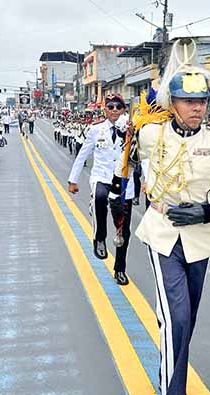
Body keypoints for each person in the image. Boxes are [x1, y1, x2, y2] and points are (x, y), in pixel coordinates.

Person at [108, 39, 210, 395]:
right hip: (161, 231)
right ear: (173, 104)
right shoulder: (150, 133)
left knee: (183, 322)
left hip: (200, 237)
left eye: (202, 101)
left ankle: (168, 365)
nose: (196, 108)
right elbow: (124, 137)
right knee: (178, 317)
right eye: (188, 101)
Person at [68, 94, 133, 286]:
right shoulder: (95, 130)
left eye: (118, 107)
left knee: (123, 231)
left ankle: (120, 269)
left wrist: (149, 182)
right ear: (105, 109)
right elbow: (82, 155)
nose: (114, 110)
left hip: (123, 182)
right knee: (99, 196)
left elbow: (142, 156)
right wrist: (73, 180)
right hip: (102, 177)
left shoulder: (132, 129)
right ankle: (99, 238)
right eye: (110, 107)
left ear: (123, 110)